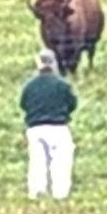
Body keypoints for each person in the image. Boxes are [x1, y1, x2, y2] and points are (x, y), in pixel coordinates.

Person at [21, 48, 78, 199]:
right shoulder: (62, 85)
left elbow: (23, 104)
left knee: (37, 162)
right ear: (54, 63)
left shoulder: (30, 86)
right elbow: (72, 104)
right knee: (61, 162)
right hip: (58, 127)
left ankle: (37, 192)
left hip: (35, 128)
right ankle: (60, 193)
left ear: (38, 63)